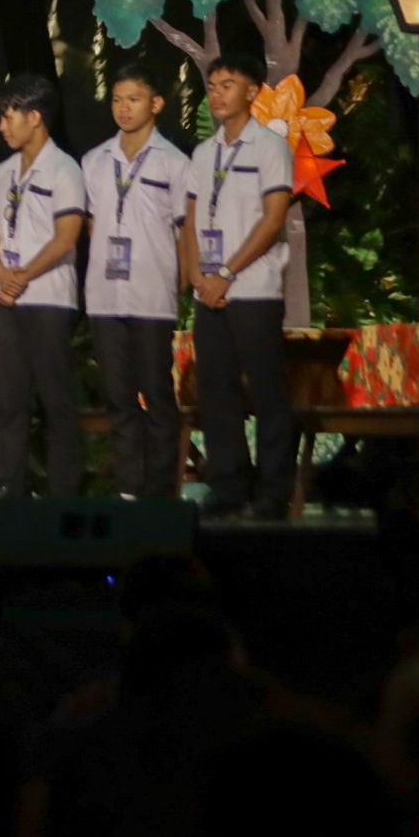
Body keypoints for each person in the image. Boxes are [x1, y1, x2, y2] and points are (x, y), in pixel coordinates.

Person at [184, 51, 297, 519]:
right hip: (207, 293)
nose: (216, 93)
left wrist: (226, 273)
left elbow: (273, 220)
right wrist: (196, 275)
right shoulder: (203, 152)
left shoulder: (270, 147)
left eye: (227, 84)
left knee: (268, 392)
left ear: (252, 92)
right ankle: (228, 484)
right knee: (216, 391)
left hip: (253, 290)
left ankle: (273, 490)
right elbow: (189, 219)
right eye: (212, 85)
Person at [83, 63, 191, 500]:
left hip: (152, 296)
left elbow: (187, 230)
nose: (123, 108)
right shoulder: (93, 161)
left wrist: (180, 283)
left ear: (156, 104)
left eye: (134, 99)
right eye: (116, 99)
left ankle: (162, 490)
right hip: (104, 296)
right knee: (119, 399)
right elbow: (90, 224)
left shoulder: (175, 163)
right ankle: (129, 489)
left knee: (158, 396)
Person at [0, 72, 88, 499]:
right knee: (10, 400)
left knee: (56, 398)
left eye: (9, 117)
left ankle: (64, 489)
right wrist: (1, 274)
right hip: (3, 299)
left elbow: (67, 237)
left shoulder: (65, 169)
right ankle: (10, 483)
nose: (2, 126)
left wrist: (23, 276)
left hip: (47, 299)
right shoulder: (0, 173)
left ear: (35, 116)